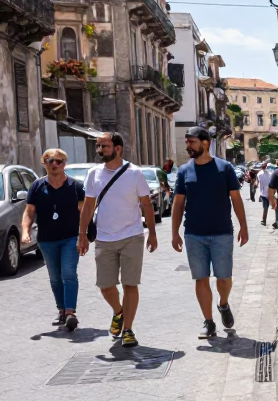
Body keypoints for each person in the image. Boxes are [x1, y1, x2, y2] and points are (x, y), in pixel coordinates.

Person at [77, 132, 158, 348]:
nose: (99, 150)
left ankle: (128, 329)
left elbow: (146, 205)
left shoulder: (135, 173)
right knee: (105, 285)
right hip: (104, 237)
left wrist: (152, 232)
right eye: (98, 146)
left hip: (132, 235)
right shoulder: (94, 174)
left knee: (130, 284)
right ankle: (118, 312)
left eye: (103, 146)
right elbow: (88, 206)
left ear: (118, 148)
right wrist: (82, 234)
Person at [170, 128, 250, 339]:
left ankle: (223, 303)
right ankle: (209, 322)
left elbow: (236, 198)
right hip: (194, 234)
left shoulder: (224, 168)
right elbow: (178, 203)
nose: (188, 146)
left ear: (206, 143)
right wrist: (175, 232)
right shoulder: (184, 171)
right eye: (187, 142)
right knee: (201, 279)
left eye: (192, 142)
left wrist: (243, 225)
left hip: (222, 232)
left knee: (224, 278)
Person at [22, 148, 85, 331]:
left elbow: (84, 213)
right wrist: (25, 231)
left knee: (68, 273)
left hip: (70, 237)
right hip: (47, 239)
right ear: (44, 164)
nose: (54, 164)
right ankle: (61, 309)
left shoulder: (76, 186)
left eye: (58, 161)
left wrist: (84, 235)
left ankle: (70, 312)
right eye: (49, 161)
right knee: (55, 277)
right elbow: (29, 211)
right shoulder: (37, 186)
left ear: (64, 164)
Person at [257, 162, 274, 226]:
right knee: (265, 207)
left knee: (274, 207)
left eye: (264, 165)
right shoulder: (260, 174)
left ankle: (276, 221)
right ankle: (264, 220)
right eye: (263, 165)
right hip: (264, 193)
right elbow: (258, 181)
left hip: (270, 193)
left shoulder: (270, 173)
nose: (263, 166)